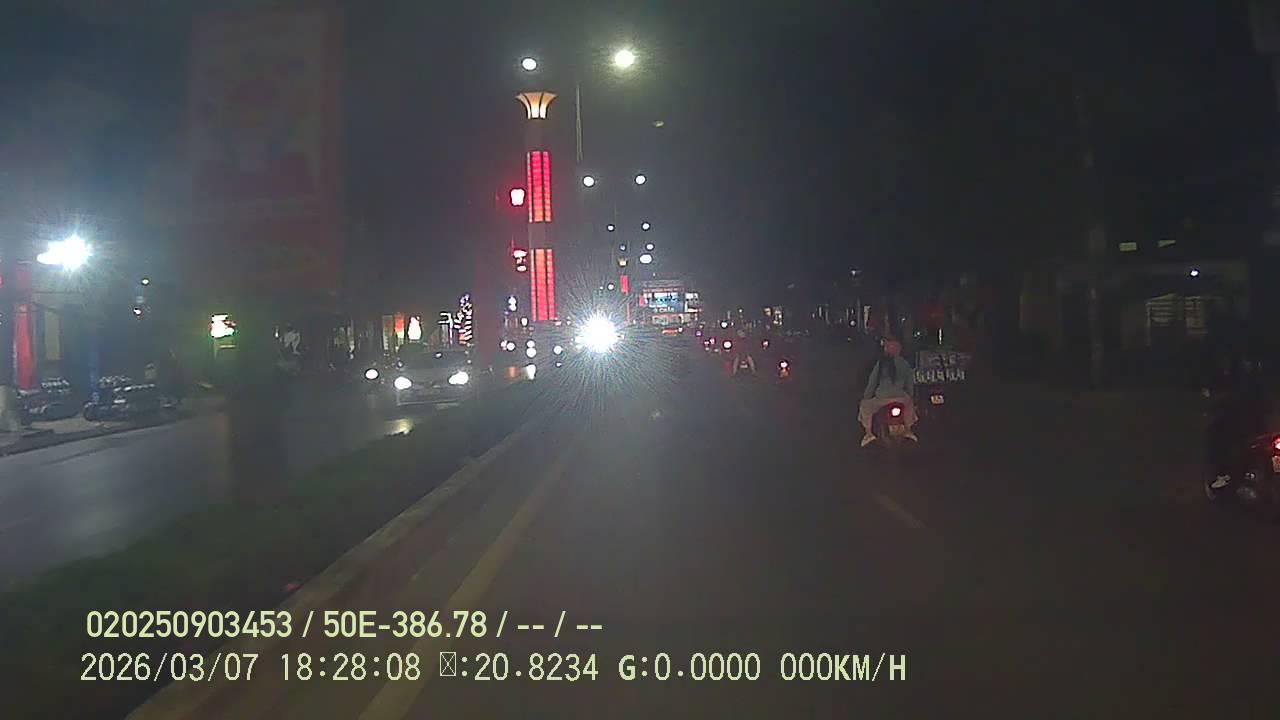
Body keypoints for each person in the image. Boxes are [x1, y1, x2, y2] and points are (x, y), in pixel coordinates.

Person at [1206, 354, 1274, 489]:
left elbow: (1227, 402)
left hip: (1242, 429)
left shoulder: (1238, 384)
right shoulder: (1260, 384)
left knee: (1217, 439)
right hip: (1258, 428)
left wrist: (1214, 409)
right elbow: (1268, 406)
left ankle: (1222, 474)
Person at [859, 338, 917, 446]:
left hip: (881, 399)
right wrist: (910, 396)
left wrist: (866, 397)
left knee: (864, 406)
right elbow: (910, 385)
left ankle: (868, 433)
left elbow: (872, 383)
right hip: (900, 398)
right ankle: (908, 430)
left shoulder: (881, 363)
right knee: (910, 403)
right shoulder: (904, 364)